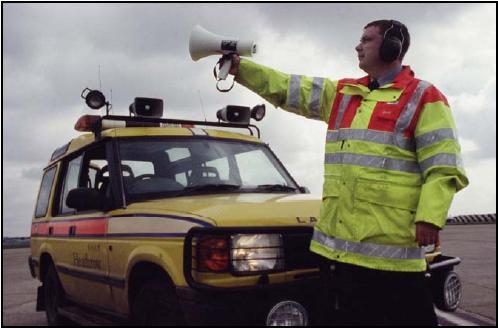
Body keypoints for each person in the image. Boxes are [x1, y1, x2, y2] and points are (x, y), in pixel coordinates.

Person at [223, 20, 469, 325]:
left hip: (391, 259)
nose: (358, 45)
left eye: (367, 39)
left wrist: (430, 216)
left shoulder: (424, 98)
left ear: (392, 47)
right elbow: (288, 87)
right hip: (336, 257)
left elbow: (444, 167)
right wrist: (241, 69)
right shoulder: (343, 94)